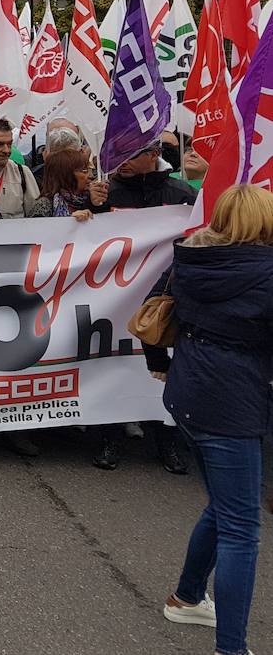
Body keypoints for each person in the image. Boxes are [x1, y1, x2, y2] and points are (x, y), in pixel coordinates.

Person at [156, 184, 273, 655]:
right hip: (234, 401)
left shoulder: (190, 258)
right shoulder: (266, 272)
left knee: (224, 507)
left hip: (190, 390)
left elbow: (156, 304)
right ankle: (231, 648)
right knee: (242, 529)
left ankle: (186, 596)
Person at [92, 140, 197, 473]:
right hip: (113, 301)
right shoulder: (106, 192)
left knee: (163, 371)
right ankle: (109, 436)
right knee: (111, 368)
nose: (122, 158)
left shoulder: (181, 194)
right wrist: (88, 208)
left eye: (132, 153)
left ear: (154, 156)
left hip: (163, 303)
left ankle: (167, 442)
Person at [26, 148, 110, 221]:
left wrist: (95, 205)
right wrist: (68, 222)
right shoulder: (45, 205)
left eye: (88, 170)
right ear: (66, 175)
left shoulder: (91, 199)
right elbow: (35, 234)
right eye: (84, 171)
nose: (90, 176)